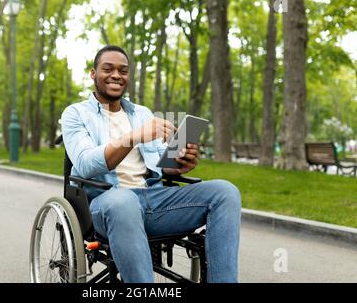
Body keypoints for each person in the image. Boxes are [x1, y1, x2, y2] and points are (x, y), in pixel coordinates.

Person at [62, 45, 241, 283]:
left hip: (154, 200)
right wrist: (134, 136)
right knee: (123, 200)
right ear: (93, 74)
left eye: (123, 71)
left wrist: (177, 165)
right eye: (108, 69)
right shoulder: (76, 114)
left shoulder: (142, 114)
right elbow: (84, 164)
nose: (117, 75)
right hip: (107, 202)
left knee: (225, 192)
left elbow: (158, 162)